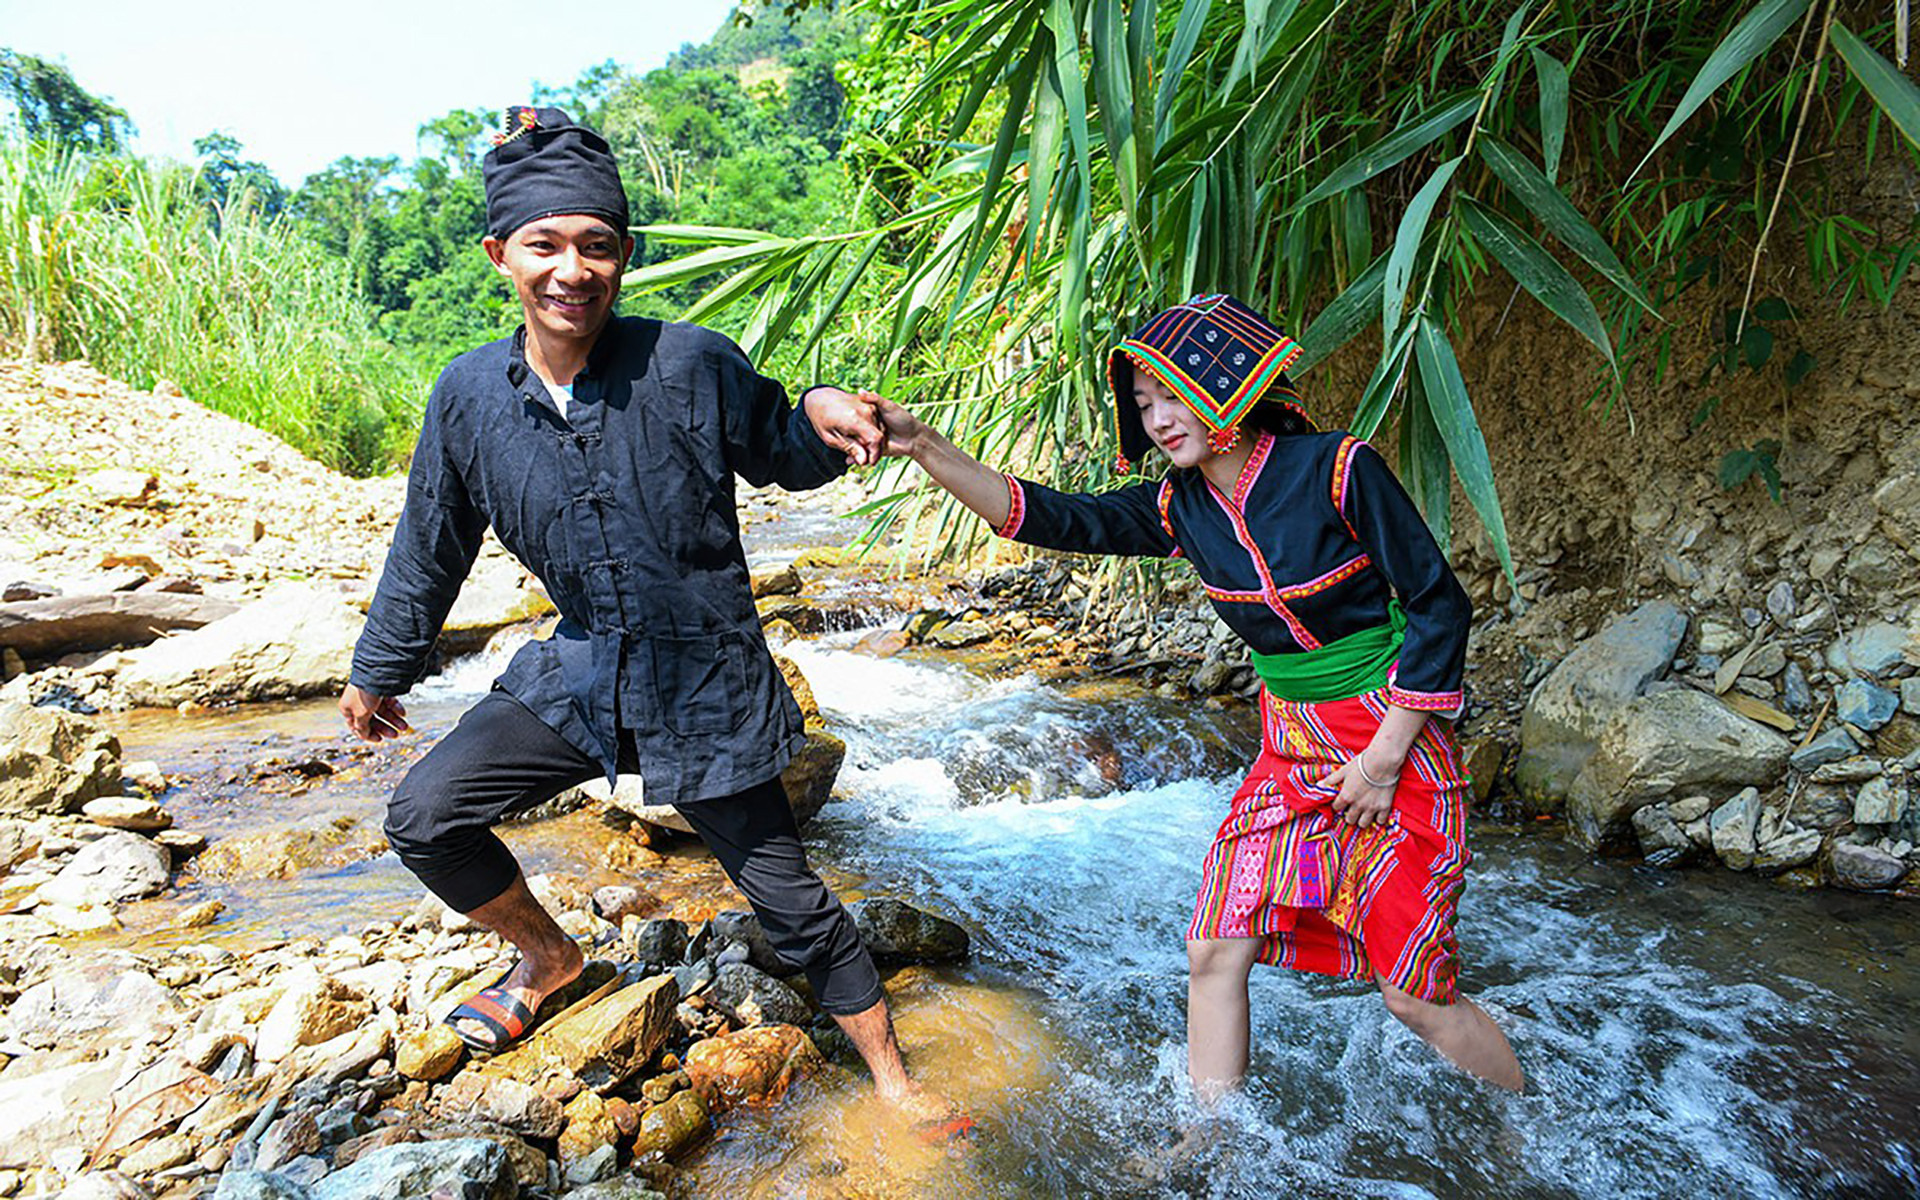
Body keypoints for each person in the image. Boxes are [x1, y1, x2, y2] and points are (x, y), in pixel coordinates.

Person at [340, 105, 942, 1116]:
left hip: (704, 679)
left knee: (791, 907)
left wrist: (830, 407)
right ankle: (547, 960)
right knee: (425, 814)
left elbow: (784, 446)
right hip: (581, 670)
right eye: (545, 245)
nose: (571, 268)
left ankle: (895, 1081)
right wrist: (377, 668)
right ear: (501, 256)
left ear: (623, 258)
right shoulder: (467, 398)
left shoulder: (690, 363)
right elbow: (429, 542)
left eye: (597, 246)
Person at [867, 293, 1523, 1097]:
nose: (1159, 420)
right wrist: (925, 446)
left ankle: (1527, 1124)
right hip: (1292, 748)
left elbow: (1438, 605)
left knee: (1413, 997)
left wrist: (1383, 759)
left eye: (1173, 394)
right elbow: (1051, 516)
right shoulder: (1180, 506)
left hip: (1393, 735)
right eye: (1144, 406)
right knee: (1214, 948)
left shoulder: (1338, 469)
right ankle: (1208, 1143)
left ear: (1231, 383)